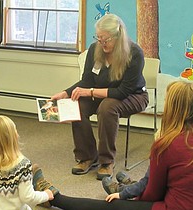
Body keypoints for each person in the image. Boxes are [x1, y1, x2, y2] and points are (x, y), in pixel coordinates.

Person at [36, 81, 193, 210]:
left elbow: (154, 194)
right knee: (150, 186)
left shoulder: (167, 144)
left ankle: (53, 197)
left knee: (112, 208)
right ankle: (128, 187)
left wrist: (125, 198)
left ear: (172, 109)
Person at [51, 13, 149, 180]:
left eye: (106, 40)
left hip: (134, 95)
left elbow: (122, 92)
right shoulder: (95, 49)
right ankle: (87, 156)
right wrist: (65, 93)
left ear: (118, 37)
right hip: (101, 92)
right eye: (99, 39)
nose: (102, 43)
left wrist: (89, 92)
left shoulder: (134, 53)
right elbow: (88, 80)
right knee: (78, 103)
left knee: (107, 107)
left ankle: (106, 161)